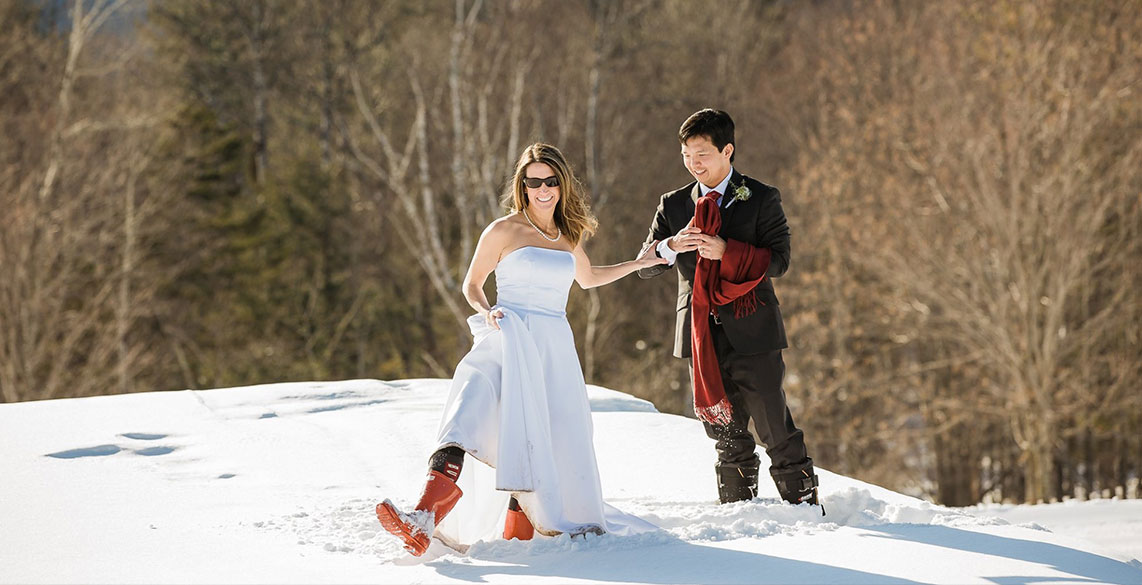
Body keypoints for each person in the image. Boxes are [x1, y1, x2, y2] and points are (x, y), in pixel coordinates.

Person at [376, 143, 664, 556]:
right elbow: (472, 284)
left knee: (538, 434)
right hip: (507, 335)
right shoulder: (503, 230)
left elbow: (588, 278)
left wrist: (638, 263)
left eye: (550, 181)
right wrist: (487, 309)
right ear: (523, 187)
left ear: (561, 185)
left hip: (553, 348)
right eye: (534, 182)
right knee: (467, 409)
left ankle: (522, 528)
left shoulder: (567, 237)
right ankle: (424, 514)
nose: (543, 189)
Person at [637, 108, 822, 511]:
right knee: (724, 432)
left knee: (775, 426)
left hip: (753, 330)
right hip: (700, 335)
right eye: (686, 154)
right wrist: (670, 247)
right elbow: (644, 267)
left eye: (701, 153)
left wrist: (728, 252)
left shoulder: (760, 197)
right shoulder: (672, 204)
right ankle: (739, 515)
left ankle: (805, 509)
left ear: (728, 151)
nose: (693, 163)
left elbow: (780, 260)